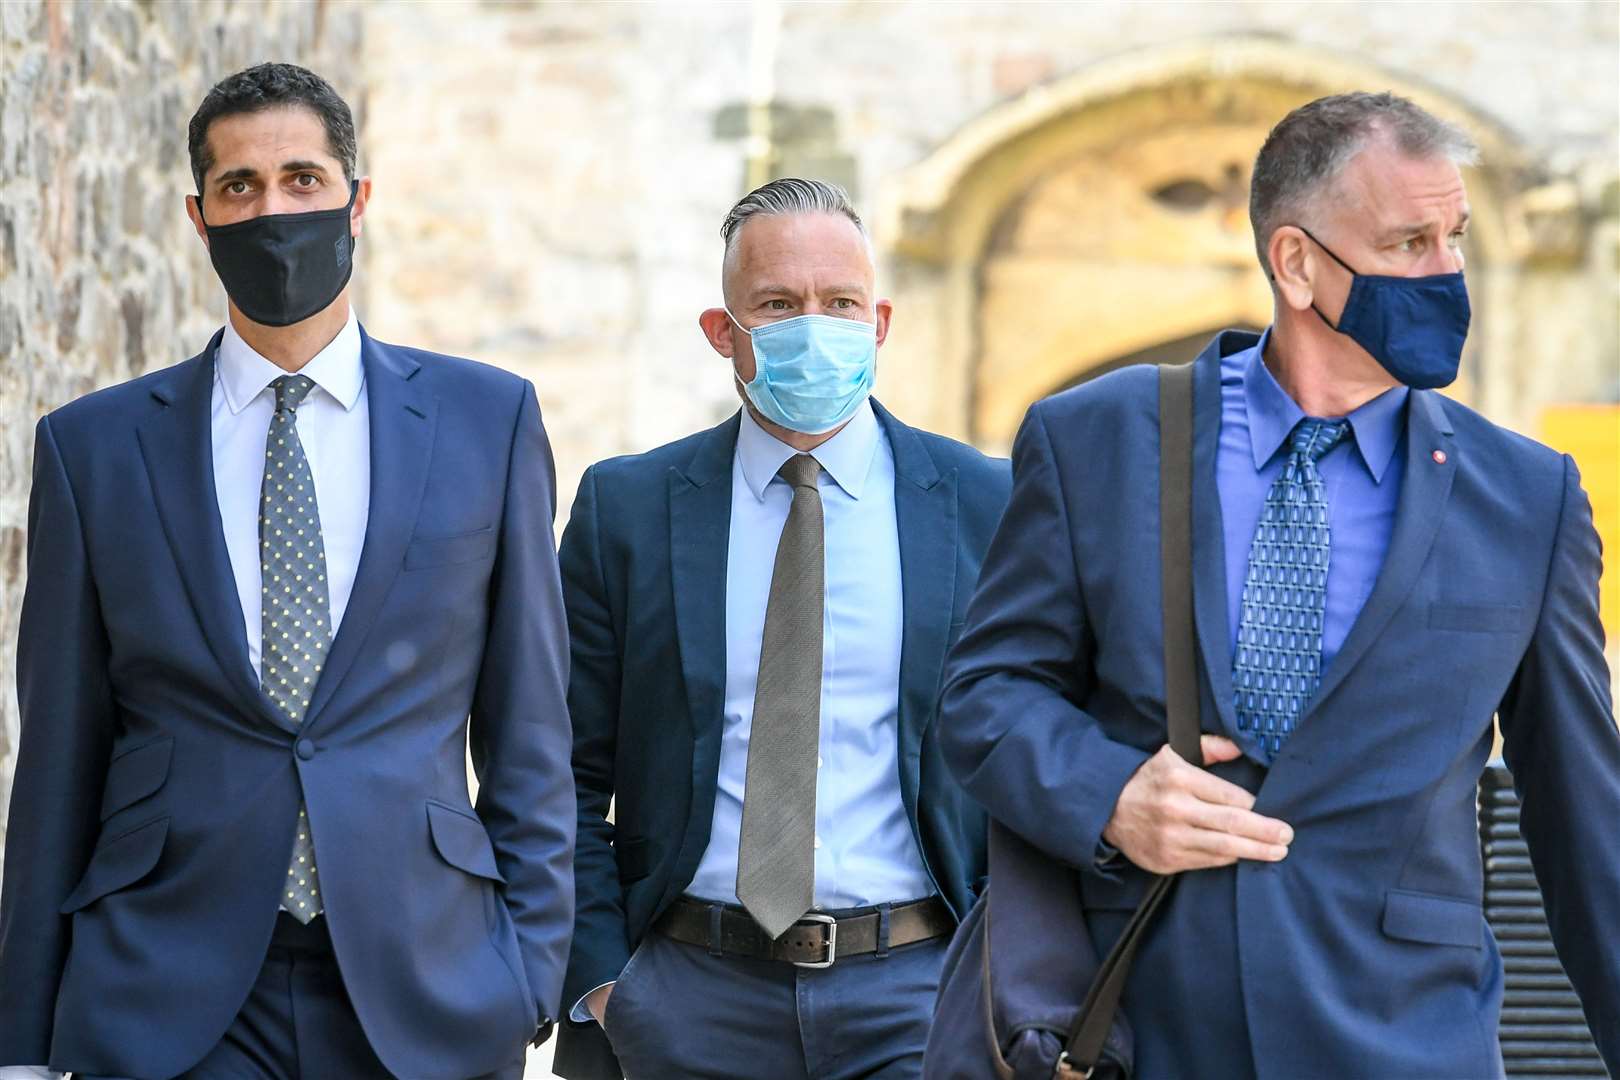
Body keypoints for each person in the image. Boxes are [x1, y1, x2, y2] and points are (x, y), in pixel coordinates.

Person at [937, 91, 1619, 1077]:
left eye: (1455, 238)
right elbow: (981, 700)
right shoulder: (1096, 437)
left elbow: (1582, 811)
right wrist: (1109, 794)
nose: (1448, 276)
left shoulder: (1529, 495)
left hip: (1406, 1038)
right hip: (1141, 1028)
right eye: (1410, 242)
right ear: (1296, 263)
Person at [0, 63, 574, 1080]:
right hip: (168, 995)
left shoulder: (489, 423)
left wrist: (526, 976)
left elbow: (529, 726)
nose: (273, 210)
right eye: (241, 188)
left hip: (425, 990)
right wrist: (19, 1044)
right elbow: (57, 760)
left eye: (302, 179)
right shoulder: (95, 450)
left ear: (359, 200)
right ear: (199, 215)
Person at [553, 178, 1011, 1080]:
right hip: (686, 997)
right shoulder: (630, 509)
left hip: (921, 995)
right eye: (778, 304)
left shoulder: (983, 503)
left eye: (840, 303)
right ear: (724, 333)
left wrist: (1004, 974)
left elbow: (1030, 747)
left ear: (878, 323)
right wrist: (610, 982)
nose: (816, 326)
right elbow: (558, 771)